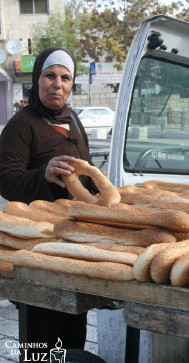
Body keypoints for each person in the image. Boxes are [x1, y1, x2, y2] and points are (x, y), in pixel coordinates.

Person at [0, 47, 94, 360]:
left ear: (72, 83)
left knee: (74, 323)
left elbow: (87, 175)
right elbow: (6, 181)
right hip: (36, 244)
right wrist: (44, 174)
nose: (57, 84)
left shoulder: (74, 120)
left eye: (65, 78)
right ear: (37, 80)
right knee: (41, 329)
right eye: (49, 75)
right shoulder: (21, 125)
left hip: (73, 241)